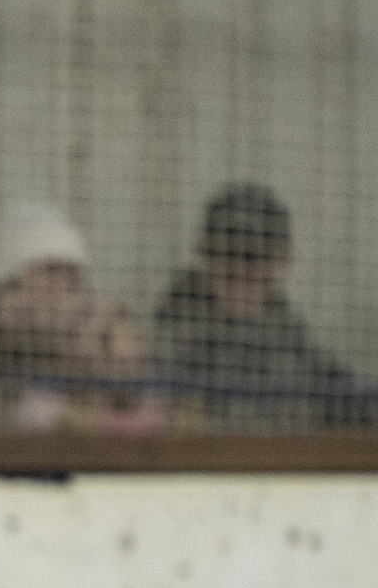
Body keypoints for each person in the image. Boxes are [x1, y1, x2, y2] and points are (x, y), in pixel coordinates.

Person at [152, 184, 364, 433]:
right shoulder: (165, 344)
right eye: (228, 253)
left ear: (284, 257)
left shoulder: (298, 348)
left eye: (254, 256)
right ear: (203, 251)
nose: (240, 269)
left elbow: (356, 406)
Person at [0, 202, 163, 434]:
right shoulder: (34, 402)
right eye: (50, 271)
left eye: (68, 274)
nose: (58, 287)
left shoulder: (150, 401)